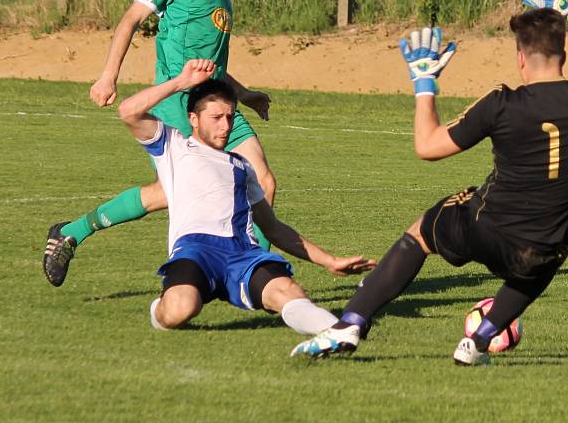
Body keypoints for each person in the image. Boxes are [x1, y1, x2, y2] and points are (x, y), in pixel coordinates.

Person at [291, 0, 568, 365]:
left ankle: (351, 322)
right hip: (543, 247)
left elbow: (428, 147)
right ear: (563, 55)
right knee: (548, 253)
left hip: (486, 229)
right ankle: (480, 339)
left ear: (520, 58)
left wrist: (425, 83)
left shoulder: (501, 102)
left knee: (423, 230)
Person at [44, 0, 277, 287]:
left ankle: (261, 269)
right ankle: (73, 232)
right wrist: (108, 76)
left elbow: (211, 65)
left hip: (219, 105)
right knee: (171, 193)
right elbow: (130, 19)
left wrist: (247, 95)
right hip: (177, 105)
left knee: (262, 181)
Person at [116, 58, 376, 332]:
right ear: (193, 118)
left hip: (243, 253)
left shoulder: (242, 167)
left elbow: (273, 228)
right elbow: (128, 111)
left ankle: (339, 333)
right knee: (181, 309)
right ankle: (160, 310)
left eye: (229, 117)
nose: (225, 126)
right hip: (196, 251)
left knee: (288, 293)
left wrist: (330, 261)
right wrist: (181, 82)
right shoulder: (173, 146)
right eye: (216, 118)